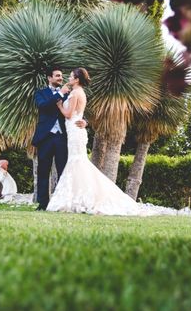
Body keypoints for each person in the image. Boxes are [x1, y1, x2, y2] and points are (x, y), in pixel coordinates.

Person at [46, 68, 143, 215]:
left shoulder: (74, 93)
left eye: (71, 76)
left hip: (74, 131)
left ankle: (78, 198)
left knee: (76, 162)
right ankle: (80, 198)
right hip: (77, 130)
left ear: (77, 79)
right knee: (78, 162)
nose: (69, 78)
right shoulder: (81, 93)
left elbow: (68, 114)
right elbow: (79, 114)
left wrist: (59, 105)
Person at [31, 67, 86, 210]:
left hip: (63, 138)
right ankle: (43, 204)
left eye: (61, 76)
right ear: (49, 78)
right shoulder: (41, 93)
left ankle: (63, 203)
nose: (60, 78)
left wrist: (85, 122)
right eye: (57, 76)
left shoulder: (71, 93)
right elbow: (43, 106)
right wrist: (59, 94)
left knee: (64, 170)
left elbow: (77, 109)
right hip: (46, 137)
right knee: (43, 171)